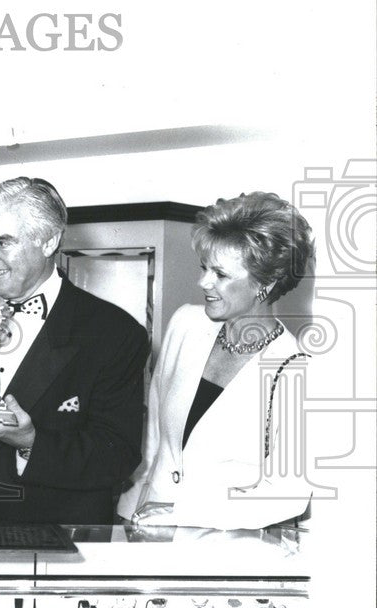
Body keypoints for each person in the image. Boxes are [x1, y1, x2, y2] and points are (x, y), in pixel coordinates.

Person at [0, 177, 149, 525]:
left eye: (3, 242)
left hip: (59, 535)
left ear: (49, 241)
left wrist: (31, 442)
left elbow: (116, 457)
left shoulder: (114, 332)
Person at [117, 192, 314, 529]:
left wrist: (180, 514)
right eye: (204, 268)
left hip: (225, 545)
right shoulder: (186, 323)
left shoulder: (295, 367)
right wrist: (132, 507)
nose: (203, 282)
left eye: (221, 275)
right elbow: (153, 438)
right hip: (146, 528)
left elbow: (288, 494)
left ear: (264, 284)